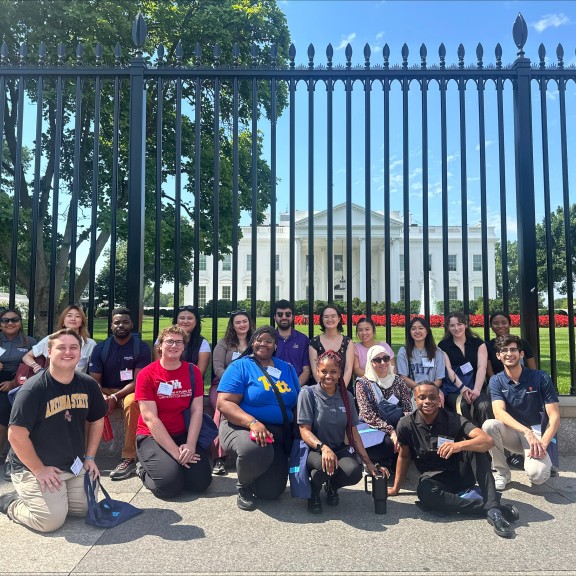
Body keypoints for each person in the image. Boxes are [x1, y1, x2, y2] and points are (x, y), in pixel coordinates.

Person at [0, 329, 107, 533]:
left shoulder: (88, 384)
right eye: (61, 347)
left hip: (72, 465)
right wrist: (39, 470)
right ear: (49, 352)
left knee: (87, 509)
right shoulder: (34, 389)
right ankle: (11, 503)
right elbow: (15, 434)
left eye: (73, 347)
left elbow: (97, 419)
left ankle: (56, 498)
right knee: (50, 521)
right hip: (34, 467)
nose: (68, 352)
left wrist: (90, 456)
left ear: (80, 352)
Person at [388, 382, 519, 538]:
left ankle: (494, 512)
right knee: (425, 493)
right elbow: (404, 456)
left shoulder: (453, 418)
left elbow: (488, 441)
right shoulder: (406, 424)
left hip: (460, 472)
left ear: (439, 400)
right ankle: (492, 508)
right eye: (422, 398)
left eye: (432, 397)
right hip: (434, 478)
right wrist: (396, 488)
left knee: (477, 449)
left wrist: (459, 445)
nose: (427, 401)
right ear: (415, 400)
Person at [217, 325, 300, 511]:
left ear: (275, 345)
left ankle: (258, 476)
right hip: (243, 427)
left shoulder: (287, 368)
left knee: (271, 492)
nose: (264, 344)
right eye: (259, 340)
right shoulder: (240, 366)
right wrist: (252, 422)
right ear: (253, 342)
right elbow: (224, 403)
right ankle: (244, 485)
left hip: (279, 433)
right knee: (254, 450)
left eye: (269, 341)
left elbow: (297, 402)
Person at [298, 349, 381, 514]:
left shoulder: (346, 396)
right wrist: (323, 448)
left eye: (333, 372)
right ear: (317, 371)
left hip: (338, 447)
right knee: (324, 466)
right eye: (324, 372)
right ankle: (313, 492)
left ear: (340, 373)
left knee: (354, 471)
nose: (328, 376)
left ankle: (332, 487)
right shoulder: (308, 394)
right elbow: (304, 430)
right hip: (315, 449)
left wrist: (368, 462)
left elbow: (353, 433)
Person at [134, 325, 212, 499]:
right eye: (169, 341)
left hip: (183, 433)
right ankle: (142, 469)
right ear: (160, 345)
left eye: (179, 342)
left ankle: (174, 468)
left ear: (184, 347)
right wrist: (175, 453)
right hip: (152, 436)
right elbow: (150, 418)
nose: (174, 345)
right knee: (169, 487)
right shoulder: (147, 374)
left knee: (201, 483)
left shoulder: (193, 372)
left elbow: (197, 410)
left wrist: (190, 445)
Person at [482, 334, 560, 491]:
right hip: (515, 433)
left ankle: (540, 460)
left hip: (538, 433)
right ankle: (502, 473)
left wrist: (543, 444)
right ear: (498, 356)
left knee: (537, 477)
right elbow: (498, 413)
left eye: (513, 350)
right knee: (489, 425)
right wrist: (526, 432)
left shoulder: (540, 377)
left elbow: (554, 416)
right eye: (504, 350)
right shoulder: (496, 380)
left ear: (521, 354)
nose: (509, 354)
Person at [89, 307, 151, 481]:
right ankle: (83, 456)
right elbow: (95, 380)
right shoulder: (101, 348)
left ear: (131, 324)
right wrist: (102, 396)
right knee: (85, 403)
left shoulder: (142, 348)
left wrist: (116, 397)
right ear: (111, 326)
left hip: (129, 390)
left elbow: (139, 381)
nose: (121, 325)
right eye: (117, 322)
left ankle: (129, 457)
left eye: (125, 322)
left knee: (133, 403)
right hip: (105, 390)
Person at [210, 309, 254, 476]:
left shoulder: (255, 342)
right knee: (221, 409)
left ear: (249, 323)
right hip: (222, 385)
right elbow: (218, 368)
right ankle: (219, 457)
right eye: (238, 322)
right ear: (232, 325)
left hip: (249, 386)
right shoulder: (224, 344)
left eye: (244, 321)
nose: (242, 325)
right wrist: (234, 383)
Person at [355, 345, 412, 470]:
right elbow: (367, 414)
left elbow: (408, 407)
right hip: (374, 426)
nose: (383, 363)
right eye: (377, 360)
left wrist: (403, 428)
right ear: (370, 363)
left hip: (397, 424)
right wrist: (391, 431)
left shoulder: (398, 381)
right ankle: (376, 462)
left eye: (386, 358)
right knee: (388, 443)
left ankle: (393, 462)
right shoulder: (363, 383)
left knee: (407, 438)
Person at [0, 308, 37, 480]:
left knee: (6, 410)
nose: (10, 323)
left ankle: (8, 456)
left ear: (20, 322)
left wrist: (13, 383)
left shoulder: (29, 342)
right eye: (5, 320)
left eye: (14, 319)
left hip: (19, 383)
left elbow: (34, 367)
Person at [438, 311, 492, 426]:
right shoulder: (443, 345)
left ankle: (486, 438)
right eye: (452, 325)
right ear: (447, 327)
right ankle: (467, 437)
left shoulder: (478, 343)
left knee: (484, 405)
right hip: (455, 388)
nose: (456, 328)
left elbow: (482, 367)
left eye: (459, 324)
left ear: (466, 324)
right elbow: (448, 369)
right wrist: (462, 388)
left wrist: (476, 390)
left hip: (475, 386)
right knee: (461, 405)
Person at [22, 304, 96, 374]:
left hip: (78, 384)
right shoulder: (50, 339)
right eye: (69, 316)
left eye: (77, 316)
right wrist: (36, 366)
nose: (73, 319)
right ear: (63, 321)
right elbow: (26, 356)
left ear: (82, 322)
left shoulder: (90, 344)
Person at [153, 305, 211, 378]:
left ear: (196, 321)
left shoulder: (203, 343)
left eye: (190, 318)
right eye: (182, 318)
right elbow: (158, 367)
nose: (185, 321)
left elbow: (199, 374)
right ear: (176, 320)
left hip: (190, 384)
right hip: (164, 381)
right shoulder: (160, 340)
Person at [309, 304, 354, 389]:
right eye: (326, 317)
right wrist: (326, 390)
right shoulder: (314, 343)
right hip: (321, 391)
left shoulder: (347, 342)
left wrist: (341, 390)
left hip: (343, 389)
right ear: (322, 319)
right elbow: (315, 371)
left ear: (339, 319)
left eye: (333, 316)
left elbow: (348, 369)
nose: (329, 319)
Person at [397, 316, 445, 393]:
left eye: (421, 328)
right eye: (413, 329)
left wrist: (428, 390)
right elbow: (403, 377)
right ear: (410, 332)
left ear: (427, 331)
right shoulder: (403, 352)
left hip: (433, 391)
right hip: (412, 391)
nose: (417, 331)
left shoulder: (437, 352)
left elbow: (439, 379)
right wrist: (421, 389)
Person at [486, 311, 536, 378]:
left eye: (504, 323)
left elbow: (533, 370)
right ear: (491, 326)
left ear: (510, 324)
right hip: (499, 385)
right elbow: (490, 374)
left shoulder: (523, 344)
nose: (500, 326)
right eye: (496, 323)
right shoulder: (488, 346)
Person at [273, 299, 311, 386]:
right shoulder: (269, 339)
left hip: (297, 388)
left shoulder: (303, 339)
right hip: (272, 388)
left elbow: (306, 369)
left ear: (293, 316)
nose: (284, 317)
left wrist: (295, 387)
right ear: (275, 317)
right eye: (280, 314)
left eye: (288, 314)